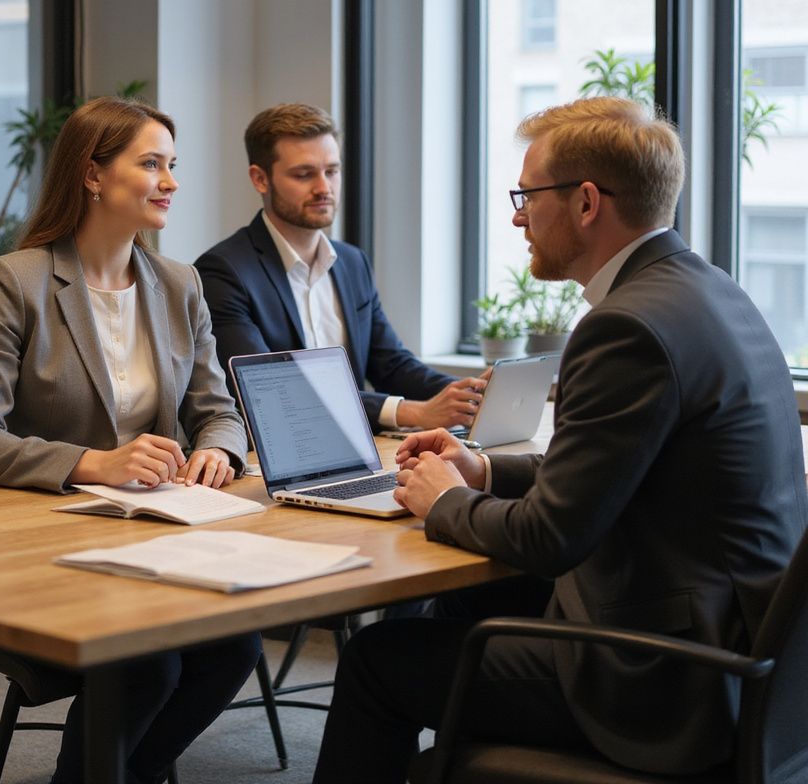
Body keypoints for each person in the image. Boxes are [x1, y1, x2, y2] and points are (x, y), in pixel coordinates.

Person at [312, 96, 808, 783]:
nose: (517, 216)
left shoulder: (625, 328)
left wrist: (444, 501)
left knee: (377, 661)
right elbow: (619, 469)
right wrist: (484, 474)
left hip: (664, 677)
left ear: (585, 203)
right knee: (462, 606)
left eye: (526, 195)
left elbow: (552, 539)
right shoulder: (709, 291)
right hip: (741, 653)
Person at [0, 97, 260, 784]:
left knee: (235, 644)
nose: (172, 182)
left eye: (172, 164)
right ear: (92, 175)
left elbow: (219, 408)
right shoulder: (17, 281)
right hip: (45, 544)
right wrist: (93, 462)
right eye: (151, 163)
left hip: (157, 533)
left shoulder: (179, 285)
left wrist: (219, 449)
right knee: (149, 662)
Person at [195, 103, 485, 433]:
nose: (324, 188)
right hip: (274, 460)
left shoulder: (352, 262)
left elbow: (391, 365)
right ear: (260, 179)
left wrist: (470, 393)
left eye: (332, 171)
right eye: (304, 174)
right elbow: (273, 389)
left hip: (362, 451)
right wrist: (411, 412)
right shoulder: (223, 271)